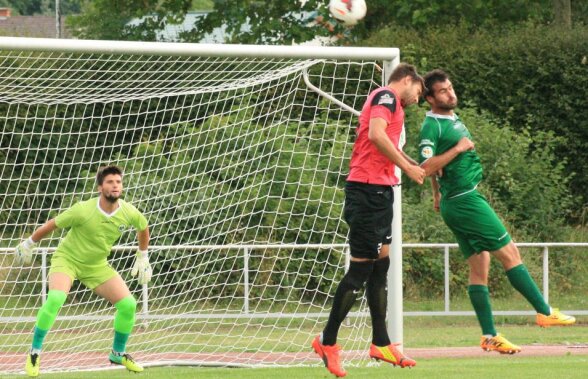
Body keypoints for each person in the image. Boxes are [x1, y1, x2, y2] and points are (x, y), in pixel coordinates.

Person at [418, 69, 575, 355]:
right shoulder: (432, 127)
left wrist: (437, 193)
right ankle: (544, 311)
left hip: (456, 200)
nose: (451, 93)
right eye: (443, 91)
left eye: (451, 88)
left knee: (480, 268)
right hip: (466, 200)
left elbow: (437, 172)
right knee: (510, 252)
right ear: (429, 97)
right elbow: (424, 167)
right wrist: (460, 148)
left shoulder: (450, 117)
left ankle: (490, 336)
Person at [311, 63, 425, 377]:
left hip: (380, 192)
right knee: (361, 269)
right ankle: (327, 340)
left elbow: (384, 143)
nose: (418, 98)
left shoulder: (389, 99)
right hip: (367, 192)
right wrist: (407, 166)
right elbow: (376, 135)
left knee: (381, 266)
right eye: (418, 91)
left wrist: (410, 164)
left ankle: (381, 342)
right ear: (407, 80)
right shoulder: (388, 95)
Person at [14, 165, 152, 377]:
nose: (115, 186)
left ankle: (118, 352)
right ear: (100, 187)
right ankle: (34, 352)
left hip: (96, 265)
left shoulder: (128, 212)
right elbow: (53, 224)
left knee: (128, 305)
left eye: (118, 182)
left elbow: (143, 227)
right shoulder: (83, 210)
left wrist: (142, 255)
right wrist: (30, 243)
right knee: (55, 299)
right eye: (110, 182)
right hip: (67, 260)